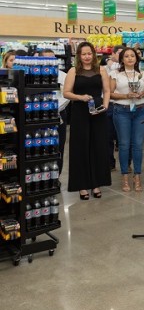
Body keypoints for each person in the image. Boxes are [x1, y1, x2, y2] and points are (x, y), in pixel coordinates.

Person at [63, 42, 111, 200]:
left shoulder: (101, 70)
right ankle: (82, 186)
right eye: (83, 54)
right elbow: (66, 93)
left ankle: (96, 183)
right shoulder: (73, 71)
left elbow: (107, 90)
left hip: (98, 111)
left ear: (94, 54)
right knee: (80, 147)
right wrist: (80, 97)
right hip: (79, 111)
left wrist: (105, 105)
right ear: (79, 56)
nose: (87, 57)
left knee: (98, 146)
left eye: (89, 53)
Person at [110, 48, 144, 192]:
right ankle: (125, 177)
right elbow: (110, 94)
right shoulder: (115, 74)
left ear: (136, 58)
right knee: (124, 144)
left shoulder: (143, 74)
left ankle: (138, 176)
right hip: (122, 111)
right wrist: (126, 96)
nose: (129, 58)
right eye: (126, 56)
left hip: (140, 110)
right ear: (121, 59)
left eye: (132, 56)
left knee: (138, 144)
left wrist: (142, 94)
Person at [40, 49, 70, 174]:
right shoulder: (34, 74)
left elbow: (67, 95)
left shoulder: (63, 76)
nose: (50, 61)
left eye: (52, 58)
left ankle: (56, 175)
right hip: (39, 116)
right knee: (41, 146)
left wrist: (53, 109)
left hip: (59, 115)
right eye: (46, 58)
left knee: (58, 146)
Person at [105, 45, 125, 171]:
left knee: (123, 138)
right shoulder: (103, 68)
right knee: (108, 137)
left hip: (123, 105)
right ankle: (109, 163)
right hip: (109, 105)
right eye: (120, 53)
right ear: (112, 54)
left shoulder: (124, 68)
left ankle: (126, 164)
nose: (123, 56)